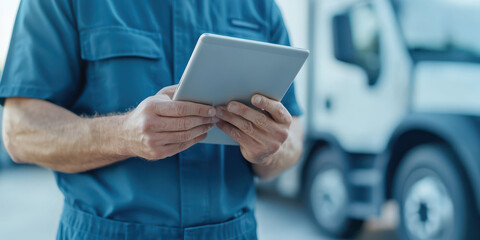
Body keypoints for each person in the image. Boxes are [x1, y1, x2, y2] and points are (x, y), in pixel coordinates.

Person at [0, 0, 304, 239]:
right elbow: (21, 132)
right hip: (106, 233)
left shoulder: (260, 5)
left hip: (233, 233)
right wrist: (122, 135)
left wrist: (269, 148)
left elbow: (292, 136)